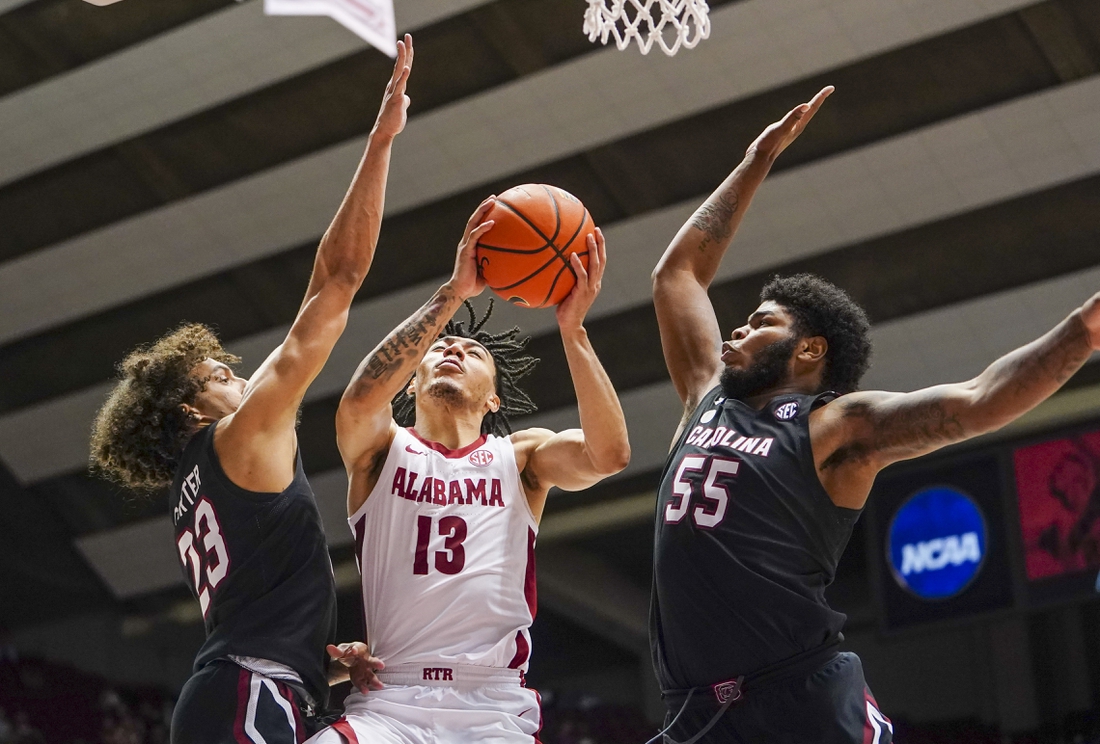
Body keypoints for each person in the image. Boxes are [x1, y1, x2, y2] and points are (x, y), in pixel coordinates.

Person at [648, 85, 1100, 743]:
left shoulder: (836, 427)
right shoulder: (705, 394)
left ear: (809, 349)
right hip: (697, 715)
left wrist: (1083, 332)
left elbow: (979, 402)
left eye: (761, 322)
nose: (738, 330)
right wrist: (756, 159)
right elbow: (676, 277)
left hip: (798, 698)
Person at [89, 34, 419, 744]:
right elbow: (338, 282)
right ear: (190, 408)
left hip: (246, 687)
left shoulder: (199, 481)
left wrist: (320, 664)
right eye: (218, 374)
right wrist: (382, 144)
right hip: (247, 695)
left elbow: (252, 616)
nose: (239, 376)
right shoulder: (236, 442)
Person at [309, 203, 630, 744]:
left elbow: (609, 456)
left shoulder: (522, 458)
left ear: (493, 398)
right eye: (441, 348)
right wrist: (453, 293)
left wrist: (573, 331)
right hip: (390, 698)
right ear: (410, 384)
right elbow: (361, 399)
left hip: (492, 705)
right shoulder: (383, 450)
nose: (455, 347)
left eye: (474, 351)